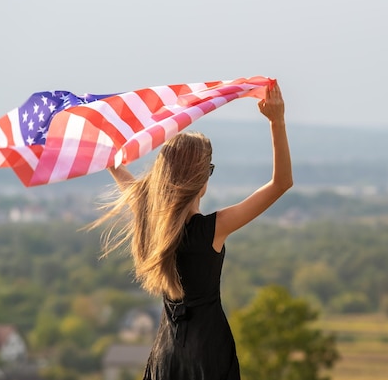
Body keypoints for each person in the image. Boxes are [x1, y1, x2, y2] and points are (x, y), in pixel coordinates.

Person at [91, 83, 292, 380]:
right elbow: (281, 183)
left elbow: (117, 168)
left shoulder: (151, 220)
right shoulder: (212, 229)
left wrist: (103, 138)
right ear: (201, 179)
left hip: (165, 354)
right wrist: (277, 121)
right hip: (208, 354)